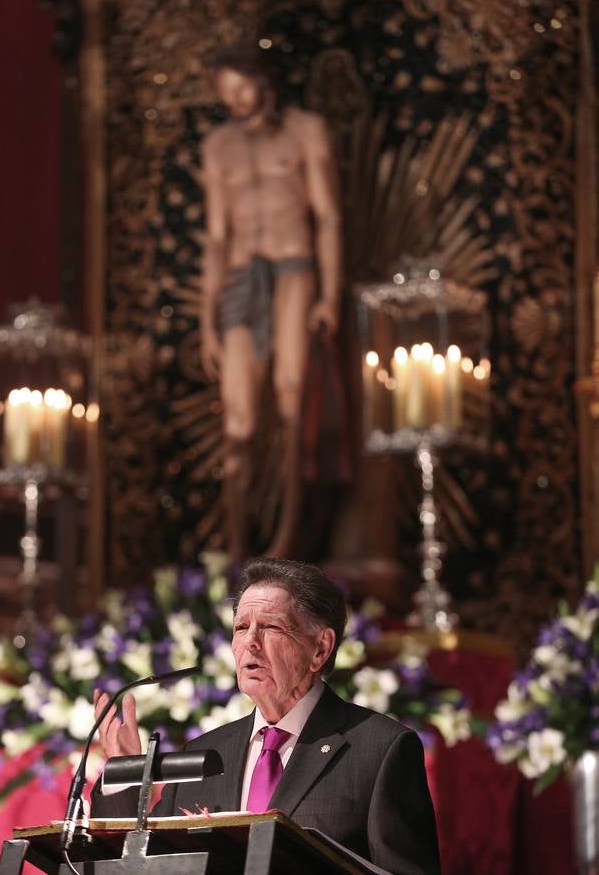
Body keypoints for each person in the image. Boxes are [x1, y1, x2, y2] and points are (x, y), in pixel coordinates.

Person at [92, 558, 440, 874]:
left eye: (271, 628)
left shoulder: (380, 750)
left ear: (320, 649)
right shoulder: (200, 755)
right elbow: (132, 865)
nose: (250, 643)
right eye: (241, 628)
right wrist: (127, 777)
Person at [199, 47, 342, 562]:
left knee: (289, 395)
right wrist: (206, 320)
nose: (234, 100)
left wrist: (329, 294)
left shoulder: (305, 130)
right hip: (240, 275)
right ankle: (237, 547)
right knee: (237, 415)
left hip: (292, 269)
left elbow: (326, 216)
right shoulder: (218, 146)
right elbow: (216, 236)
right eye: (225, 94)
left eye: (241, 88)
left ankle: (287, 539)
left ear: (262, 81)